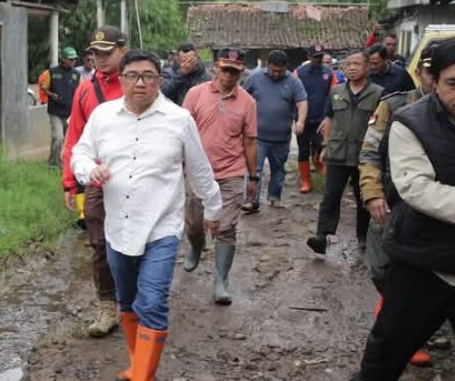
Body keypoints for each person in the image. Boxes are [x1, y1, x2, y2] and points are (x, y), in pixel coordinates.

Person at [353, 34, 455, 381]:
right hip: (421, 268)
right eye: (453, 83)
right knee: (380, 364)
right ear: (434, 82)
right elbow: (417, 188)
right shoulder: (409, 122)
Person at [72, 50, 222, 381]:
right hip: (118, 227)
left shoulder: (179, 119)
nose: (140, 83)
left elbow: (198, 170)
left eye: (148, 76)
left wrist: (213, 208)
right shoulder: (102, 116)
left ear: (159, 80)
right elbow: (79, 153)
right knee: (127, 302)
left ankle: (140, 375)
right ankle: (141, 367)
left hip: (162, 228)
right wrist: (89, 170)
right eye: (133, 76)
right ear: (122, 79)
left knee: (152, 303)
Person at [358, 43, 439, 368]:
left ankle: (411, 334)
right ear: (420, 73)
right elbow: (370, 152)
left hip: (437, 209)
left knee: (424, 274)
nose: (436, 82)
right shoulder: (395, 107)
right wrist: (373, 192)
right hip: (392, 200)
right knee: (381, 267)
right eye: (432, 74)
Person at [62, 26, 128, 337]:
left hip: (135, 181)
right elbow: (73, 136)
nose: (100, 58)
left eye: (107, 52)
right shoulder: (85, 90)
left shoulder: (139, 86)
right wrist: (69, 182)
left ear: (122, 51)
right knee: (99, 243)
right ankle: (106, 307)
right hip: (97, 180)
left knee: (134, 241)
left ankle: (135, 300)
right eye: (96, 53)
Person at [182, 47, 257, 305]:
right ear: (216, 67)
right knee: (193, 222)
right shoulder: (195, 94)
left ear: (241, 72)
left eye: (234, 71)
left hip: (231, 173)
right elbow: (181, 133)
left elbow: (249, 141)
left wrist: (253, 177)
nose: (229, 75)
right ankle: (195, 244)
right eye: (225, 70)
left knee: (226, 227)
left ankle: (221, 280)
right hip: (198, 172)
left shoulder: (248, 102)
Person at [306, 50, 383, 254]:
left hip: (364, 155)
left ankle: (363, 237)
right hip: (338, 153)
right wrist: (325, 145)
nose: (351, 68)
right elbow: (329, 119)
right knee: (330, 197)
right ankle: (322, 235)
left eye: (356, 64)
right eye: (348, 64)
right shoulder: (336, 91)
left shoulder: (378, 93)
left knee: (363, 198)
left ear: (367, 67)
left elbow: (381, 125)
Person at [243, 50, 308, 211]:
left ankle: (274, 197)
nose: (277, 74)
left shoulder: (293, 82)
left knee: (278, 169)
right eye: (273, 70)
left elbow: (302, 102)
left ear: (286, 67)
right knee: (254, 169)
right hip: (257, 136)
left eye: (280, 71)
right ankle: (252, 200)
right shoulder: (255, 78)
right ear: (267, 66)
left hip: (282, 136)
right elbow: (242, 97)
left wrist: (300, 121)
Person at [295, 44, 337, 193]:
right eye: (315, 57)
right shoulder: (299, 73)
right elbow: (293, 94)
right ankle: (306, 180)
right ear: (309, 57)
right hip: (304, 118)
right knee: (303, 151)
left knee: (322, 146)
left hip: (322, 118)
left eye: (320, 57)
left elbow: (334, 93)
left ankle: (318, 163)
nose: (318, 60)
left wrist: (330, 116)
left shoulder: (329, 73)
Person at [40, 47, 80, 168]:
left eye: (74, 59)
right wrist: (51, 94)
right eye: (70, 59)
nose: (73, 61)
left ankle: (66, 163)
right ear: (63, 59)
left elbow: (81, 91)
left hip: (70, 112)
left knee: (68, 141)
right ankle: (53, 164)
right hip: (55, 112)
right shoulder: (51, 72)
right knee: (58, 138)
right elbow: (44, 87)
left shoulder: (76, 75)